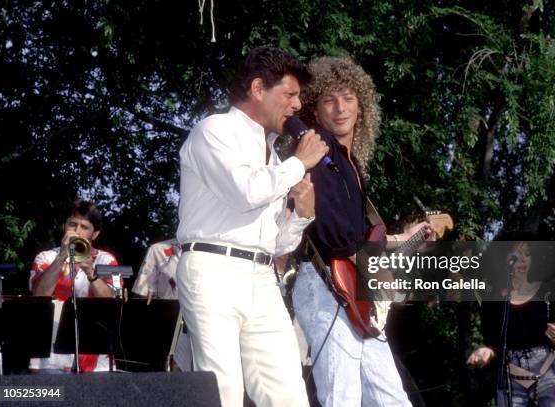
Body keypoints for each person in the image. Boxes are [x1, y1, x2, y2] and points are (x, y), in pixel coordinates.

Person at [176, 46, 328, 407]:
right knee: (223, 391)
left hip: (261, 277)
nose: (296, 106)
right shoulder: (214, 130)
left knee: (288, 394)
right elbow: (246, 192)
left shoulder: (273, 155)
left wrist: (301, 215)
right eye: (289, 94)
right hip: (212, 269)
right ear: (259, 88)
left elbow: (275, 245)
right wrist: (299, 163)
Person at [291, 56, 434, 407]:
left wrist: (406, 237)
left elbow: (359, 237)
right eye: (329, 99)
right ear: (315, 108)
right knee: (342, 397)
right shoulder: (320, 153)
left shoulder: (350, 165)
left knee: (392, 400)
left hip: (354, 292)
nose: (340, 108)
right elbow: (334, 233)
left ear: (362, 106)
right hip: (325, 286)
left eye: (348, 98)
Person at [467, 241, 555, 407]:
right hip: (511, 381)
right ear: (505, 259)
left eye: (527, 255)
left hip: (548, 375)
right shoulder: (492, 302)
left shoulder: (549, 292)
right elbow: (493, 346)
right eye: (516, 254)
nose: (522, 260)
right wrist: (486, 351)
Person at [30, 199, 118, 372]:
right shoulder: (45, 257)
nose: (77, 231)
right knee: (53, 398)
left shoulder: (106, 260)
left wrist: (91, 272)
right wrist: (61, 257)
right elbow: (39, 296)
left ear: (95, 234)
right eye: (72, 224)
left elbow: (110, 303)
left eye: (85, 227)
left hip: (96, 355)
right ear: (65, 226)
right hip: (52, 354)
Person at [132, 238, 193, 371]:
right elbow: (142, 296)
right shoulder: (158, 249)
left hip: (200, 326)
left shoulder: (214, 253)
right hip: (166, 327)